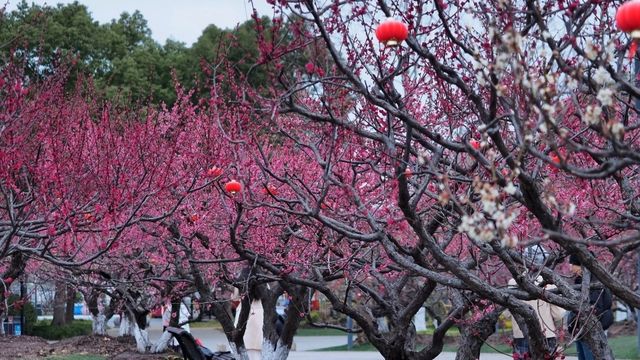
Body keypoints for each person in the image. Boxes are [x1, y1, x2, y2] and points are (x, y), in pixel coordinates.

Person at [505, 277, 566, 358]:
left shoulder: (513, 282)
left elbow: (506, 314)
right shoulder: (548, 282)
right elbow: (558, 314)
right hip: (546, 334)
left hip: (521, 334)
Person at [567, 254, 614, 360]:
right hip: (581, 330)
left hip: (589, 330)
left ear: (581, 265)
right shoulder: (581, 281)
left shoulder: (594, 283)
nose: (570, 268)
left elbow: (595, 308)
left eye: (572, 264)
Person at [234, 268, 264, 360]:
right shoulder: (263, 279)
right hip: (259, 311)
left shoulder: (241, 279)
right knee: (258, 349)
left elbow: (235, 297)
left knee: (242, 344)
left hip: (243, 310)